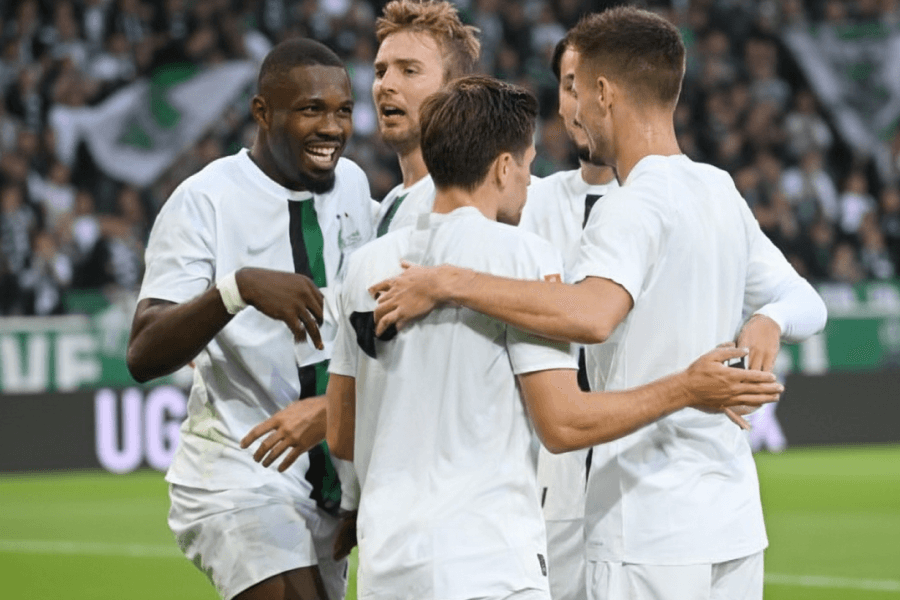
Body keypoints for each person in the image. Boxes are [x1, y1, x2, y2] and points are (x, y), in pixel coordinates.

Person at [370, 8, 828, 600]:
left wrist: (449, 282)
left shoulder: (631, 205)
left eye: (577, 90)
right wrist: (770, 315)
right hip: (730, 517)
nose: (573, 111)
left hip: (647, 521)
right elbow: (802, 300)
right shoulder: (717, 187)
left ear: (604, 93)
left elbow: (590, 315)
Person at [126, 38, 374, 600]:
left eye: (342, 110)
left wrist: (358, 489)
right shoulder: (203, 201)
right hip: (236, 469)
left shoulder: (356, 186)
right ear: (263, 112)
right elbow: (143, 352)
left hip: (326, 485)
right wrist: (236, 290)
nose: (332, 127)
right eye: (311, 109)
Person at [518, 34, 618, 600]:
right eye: (567, 84)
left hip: (640, 481)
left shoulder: (671, 201)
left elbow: (797, 299)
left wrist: (767, 320)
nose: (577, 101)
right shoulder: (530, 203)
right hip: (550, 483)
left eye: (589, 86)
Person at [371, 0, 480, 236]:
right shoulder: (389, 204)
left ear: (455, 89)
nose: (386, 85)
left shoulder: (477, 198)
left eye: (409, 70)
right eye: (380, 72)